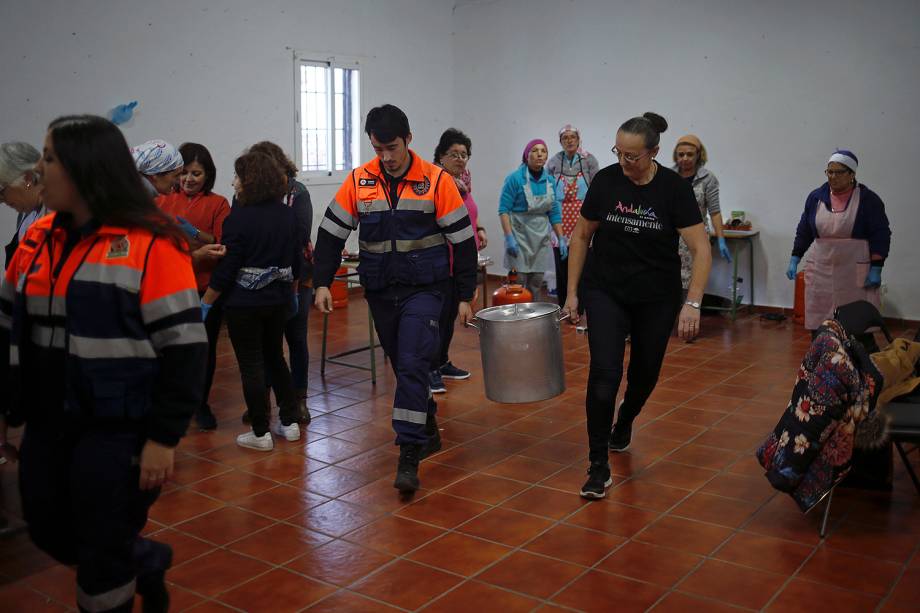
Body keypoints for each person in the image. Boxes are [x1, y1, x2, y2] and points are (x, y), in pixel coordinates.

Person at [0, 115, 207, 612]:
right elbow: (8, 328)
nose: (38, 169)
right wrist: (8, 410)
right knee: (49, 529)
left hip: (119, 428)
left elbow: (185, 346)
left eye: (49, 159)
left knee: (100, 548)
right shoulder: (36, 238)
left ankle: (118, 576)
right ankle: (144, 559)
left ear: (83, 170)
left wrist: (162, 438)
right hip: (49, 421)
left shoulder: (149, 242)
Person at [313, 104, 477, 493]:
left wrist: (466, 294)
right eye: (378, 148)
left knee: (412, 360)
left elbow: (464, 243)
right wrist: (322, 282)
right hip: (382, 291)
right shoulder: (360, 180)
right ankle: (429, 425)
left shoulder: (436, 181)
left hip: (426, 290)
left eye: (392, 147)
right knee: (406, 368)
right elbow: (331, 233)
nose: (385, 157)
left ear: (408, 140)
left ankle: (409, 450)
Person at [562, 112, 712, 500]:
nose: (625, 162)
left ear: (654, 152)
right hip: (607, 290)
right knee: (603, 375)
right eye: (619, 153)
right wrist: (573, 292)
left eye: (633, 156)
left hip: (656, 297)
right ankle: (597, 464)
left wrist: (692, 302)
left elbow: (700, 248)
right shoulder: (606, 181)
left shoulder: (673, 190)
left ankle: (626, 418)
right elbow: (581, 237)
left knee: (644, 374)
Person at [201, 150, 301, 451]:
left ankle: (260, 432)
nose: (234, 183)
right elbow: (296, 261)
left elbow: (227, 269)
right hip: (279, 300)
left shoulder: (239, 219)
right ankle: (290, 422)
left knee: (251, 365)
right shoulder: (288, 215)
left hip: (244, 304)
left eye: (237, 176)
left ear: (251, 180)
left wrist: (206, 303)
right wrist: (293, 294)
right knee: (276, 357)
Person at [157, 142, 231, 431]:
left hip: (204, 290)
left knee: (204, 349)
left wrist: (198, 237)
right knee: (168, 349)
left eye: (196, 173)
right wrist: (194, 255)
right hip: (168, 288)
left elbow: (222, 244)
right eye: (184, 172)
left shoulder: (218, 203)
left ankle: (201, 404)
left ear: (208, 175)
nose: (189, 179)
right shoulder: (161, 201)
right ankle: (171, 403)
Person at [787, 150, 891, 335]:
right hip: (821, 270)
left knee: (856, 326)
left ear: (852, 174)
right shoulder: (816, 198)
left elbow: (880, 234)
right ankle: (823, 360)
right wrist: (795, 257)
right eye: (830, 172)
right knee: (821, 326)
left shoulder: (868, 200)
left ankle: (858, 361)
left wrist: (877, 268)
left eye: (839, 172)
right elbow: (804, 230)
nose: (833, 177)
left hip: (853, 272)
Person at [248, 141, 313, 424]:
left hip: (297, 277)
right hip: (261, 282)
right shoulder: (247, 194)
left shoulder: (297, 192)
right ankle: (260, 401)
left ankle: (298, 399)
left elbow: (299, 237)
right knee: (265, 344)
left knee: (296, 338)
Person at [428, 128, 484, 393]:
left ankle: (442, 361)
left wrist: (480, 229)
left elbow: (469, 213)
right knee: (437, 318)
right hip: (441, 259)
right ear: (441, 156)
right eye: (454, 154)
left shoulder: (463, 183)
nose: (460, 159)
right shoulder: (437, 183)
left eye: (464, 154)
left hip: (460, 259)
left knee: (449, 315)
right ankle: (429, 369)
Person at [499, 139, 564, 300]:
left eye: (543, 151)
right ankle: (517, 316)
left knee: (536, 282)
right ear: (527, 155)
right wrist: (509, 237)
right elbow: (504, 210)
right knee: (519, 281)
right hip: (519, 236)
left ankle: (533, 317)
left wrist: (561, 237)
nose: (540, 154)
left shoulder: (549, 181)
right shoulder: (515, 179)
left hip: (540, 237)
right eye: (535, 150)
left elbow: (554, 212)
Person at [672, 134, 732, 299]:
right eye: (681, 154)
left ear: (699, 155)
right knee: (669, 280)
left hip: (695, 239)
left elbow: (715, 211)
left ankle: (689, 313)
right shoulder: (668, 177)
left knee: (693, 282)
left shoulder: (708, 179)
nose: (685, 158)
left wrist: (721, 239)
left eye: (690, 154)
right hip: (670, 238)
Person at [547, 125, 599, 310]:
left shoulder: (589, 160)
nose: (569, 141)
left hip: (582, 219)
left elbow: (596, 189)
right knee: (562, 266)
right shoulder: (553, 162)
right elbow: (548, 191)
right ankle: (563, 304)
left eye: (572, 137)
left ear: (578, 139)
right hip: (559, 221)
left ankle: (582, 305)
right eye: (565, 138)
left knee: (584, 265)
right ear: (560, 141)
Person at [0, 142, 44, 268]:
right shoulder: (26, 214)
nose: (2, 200)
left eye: (2, 191)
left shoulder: (63, 213)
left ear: (28, 179)